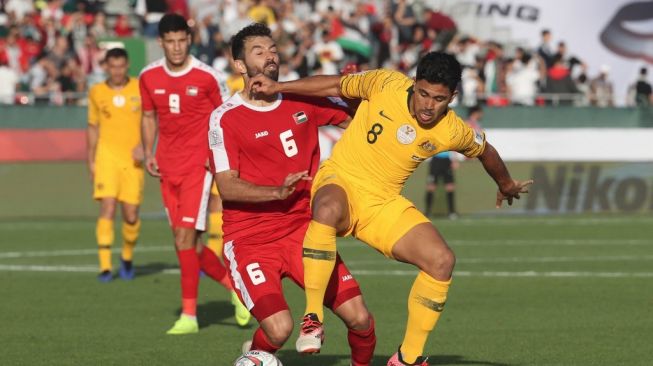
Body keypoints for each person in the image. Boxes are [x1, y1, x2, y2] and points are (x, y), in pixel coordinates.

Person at [248, 51, 532, 366]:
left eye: (438, 98)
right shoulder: (385, 83)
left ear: (451, 97)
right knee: (326, 209)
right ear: (413, 84)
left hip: (382, 203)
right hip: (341, 180)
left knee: (441, 261)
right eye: (423, 93)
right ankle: (312, 317)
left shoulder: (453, 129)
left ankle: (407, 358)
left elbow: (485, 150)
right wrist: (279, 87)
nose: (427, 104)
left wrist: (505, 184)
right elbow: (333, 85)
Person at [210, 23, 375, 366]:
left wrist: (355, 92)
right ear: (240, 65)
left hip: (305, 230)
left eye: (272, 49)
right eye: (259, 51)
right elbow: (227, 185)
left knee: (359, 317)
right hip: (250, 239)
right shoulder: (224, 119)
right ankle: (258, 355)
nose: (270, 55)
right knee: (279, 328)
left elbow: (356, 121)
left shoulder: (301, 97)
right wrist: (277, 191)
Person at [139, 13, 250, 335]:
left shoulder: (207, 77)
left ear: (189, 40)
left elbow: (226, 118)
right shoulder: (148, 77)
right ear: (161, 42)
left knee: (184, 239)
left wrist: (216, 159)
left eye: (181, 40)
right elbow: (148, 116)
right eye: (170, 42)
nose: (176, 47)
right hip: (166, 167)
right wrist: (148, 151)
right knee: (189, 246)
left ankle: (189, 315)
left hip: (197, 168)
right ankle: (237, 288)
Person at [87, 48, 143, 282]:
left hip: (133, 159)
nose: (117, 71)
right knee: (107, 207)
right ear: (106, 67)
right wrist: (90, 159)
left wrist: (145, 147)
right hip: (106, 157)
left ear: (127, 66)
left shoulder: (140, 87)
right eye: (113, 67)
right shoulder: (96, 92)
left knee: (130, 215)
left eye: (121, 66)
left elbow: (152, 119)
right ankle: (105, 267)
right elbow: (92, 127)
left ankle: (127, 257)